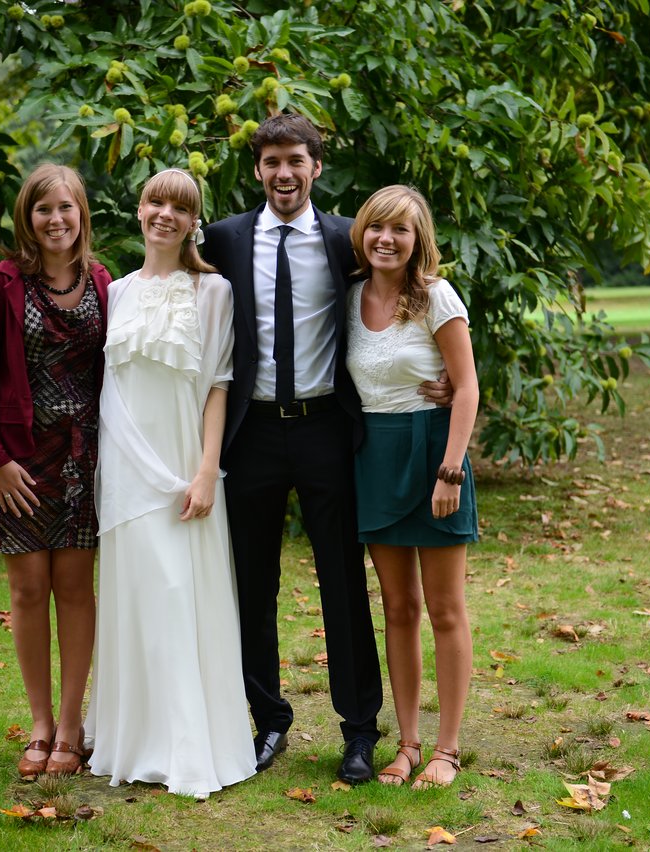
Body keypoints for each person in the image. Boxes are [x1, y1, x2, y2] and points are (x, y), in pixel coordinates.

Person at [199, 113, 388, 784]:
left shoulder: (349, 239)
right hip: (251, 432)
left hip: (325, 429)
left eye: (296, 161)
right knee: (251, 585)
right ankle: (266, 719)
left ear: (316, 168)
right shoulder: (223, 239)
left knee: (343, 582)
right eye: (272, 161)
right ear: (258, 169)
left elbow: (401, 293)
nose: (284, 173)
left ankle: (360, 729)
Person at [86, 168, 256, 799]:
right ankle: (132, 738)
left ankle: (188, 743)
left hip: (184, 461)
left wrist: (207, 469)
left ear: (193, 222)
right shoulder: (117, 291)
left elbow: (217, 384)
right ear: (139, 210)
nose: (165, 215)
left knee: (180, 590)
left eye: (179, 208)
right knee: (135, 595)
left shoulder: (213, 292)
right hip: (124, 462)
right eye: (156, 202)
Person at [0, 163, 111, 779]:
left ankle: (72, 727)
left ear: (82, 217)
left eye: (67, 208)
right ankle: (40, 724)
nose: (56, 220)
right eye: (44, 209)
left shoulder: (102, 281)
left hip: (84, 458)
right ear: (28, 217)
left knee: (75, 591)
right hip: (16, 460)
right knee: (27, 590)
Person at [346, 185, 478, 789]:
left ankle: (448, 750)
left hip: (433, 456)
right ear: (363, 232)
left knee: (445, 609)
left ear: (417, 239)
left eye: (400, 229)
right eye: (377, 227)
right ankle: (407, 745)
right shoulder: (348, 299)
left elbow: (467, 386)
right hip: (375, 458)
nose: (386, 239)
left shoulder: (435, 297)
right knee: (398, 609)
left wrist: (450, 469)